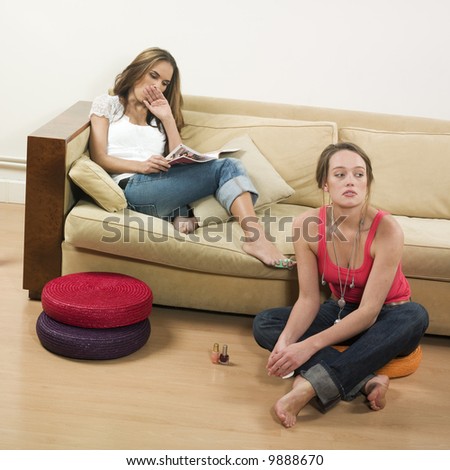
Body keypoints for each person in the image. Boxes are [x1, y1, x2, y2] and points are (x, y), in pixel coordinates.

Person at [253, 142, 429, 427]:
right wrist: (286, 343)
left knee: (416, 316)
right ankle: (367, 380)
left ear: (368, 182)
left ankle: (309, 387)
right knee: (266, 323)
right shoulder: (306, 225)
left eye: (359, 175)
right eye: (340, 174)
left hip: (388, 317)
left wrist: (306, 347)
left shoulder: (387, 229)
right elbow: (309, 299)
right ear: (325, 183)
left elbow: (370, 312)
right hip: (341, 311)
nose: (350, 181)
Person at [89, 47, 294, 269]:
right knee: (228, 166)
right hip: (132, 188)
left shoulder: (158, 116)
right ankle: (257, 240)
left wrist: (167, 118)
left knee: (228, 171)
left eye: (165, 83)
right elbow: (99, 157)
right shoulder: (107, 105)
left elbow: (178, 156)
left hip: (161, 188)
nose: (157, 86)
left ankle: (183, 215)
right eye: (154, 76)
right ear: (139, 70)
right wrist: (141, 166)